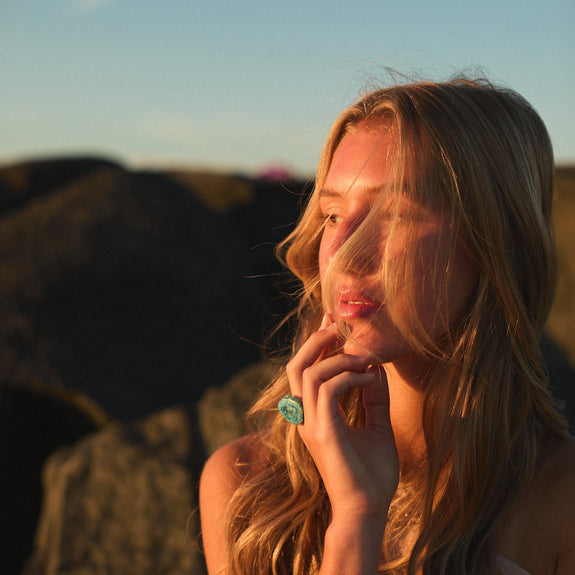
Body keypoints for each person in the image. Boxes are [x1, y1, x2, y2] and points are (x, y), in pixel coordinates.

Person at [199, 77, 575, 575]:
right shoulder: (245, 485)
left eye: (395, 213)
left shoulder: (560, 501)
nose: (344, 255)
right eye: (332, 215)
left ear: (496, 242)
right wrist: (356, 518)